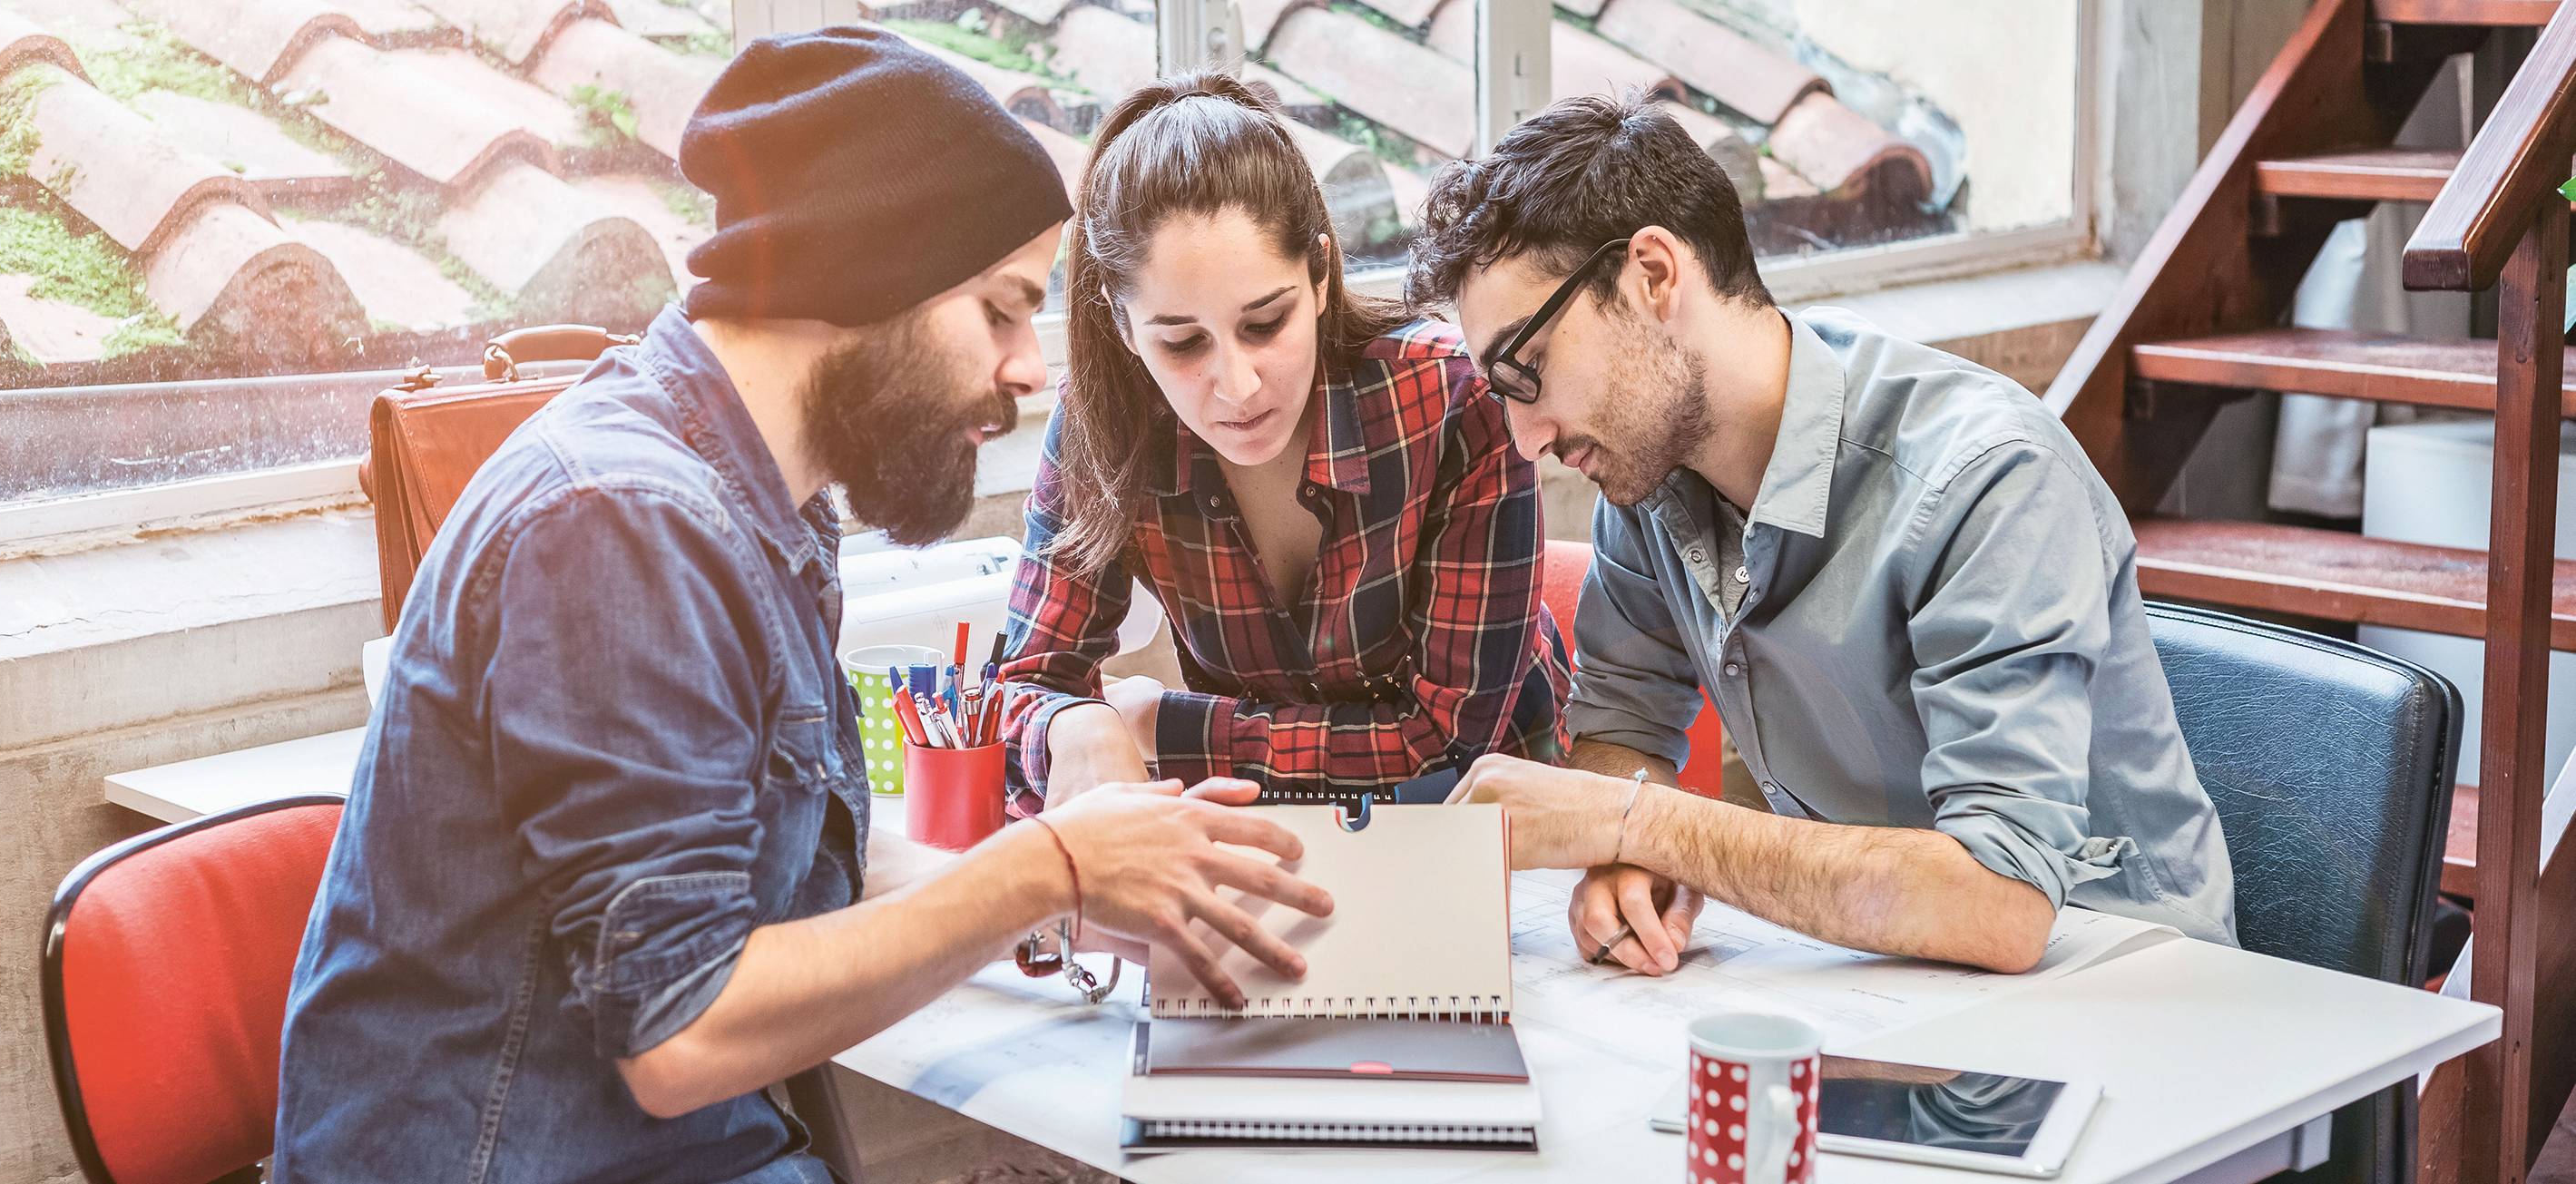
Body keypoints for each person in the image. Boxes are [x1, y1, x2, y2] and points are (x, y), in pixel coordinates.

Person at [271, 34, 1331, 1184]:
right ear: (863, 278)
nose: (1030, 368)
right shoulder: (623, 523)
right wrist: (1051, 870)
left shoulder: (768, 508)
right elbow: (679, 1034)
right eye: (1002, 309)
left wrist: (1080, 904)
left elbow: (812, 870)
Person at [1407, 93, 2238, 977]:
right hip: (1893, 980)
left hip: (2128, 987)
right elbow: (1624, 726)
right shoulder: (1647, 478)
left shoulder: (1986, 477)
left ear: (1653, 275)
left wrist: (1645, 827)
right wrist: (1631, 859)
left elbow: (2001, 901)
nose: (1527, 441)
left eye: (1526, 371)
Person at [1000, 74, 1568, 807]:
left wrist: (1156, 720)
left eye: (1265, 323)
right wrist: (1073, 725)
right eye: (1181, 342)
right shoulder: (1103, 424)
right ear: (1122, 326)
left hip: (1496, 838)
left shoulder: (1456, 402)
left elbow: (1446, 739)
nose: (1236, 385)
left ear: (1322, 274)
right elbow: (1024, 685)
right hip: (1273, 839)